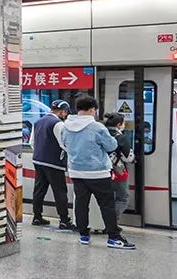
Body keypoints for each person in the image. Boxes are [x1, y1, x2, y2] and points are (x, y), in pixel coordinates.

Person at [62, 95, 135, 250]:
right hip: (98, 173)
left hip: (76, 172)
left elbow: (64, 144)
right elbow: (111, 146)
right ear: (92, 109)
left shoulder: (66, 126)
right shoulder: (97, 127)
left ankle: (83, 235)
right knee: (107, 205)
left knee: (81, 204)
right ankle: (113, 238)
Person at [30, 99, 75, 230]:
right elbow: (64, 143)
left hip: (38, 160)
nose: (66, 115)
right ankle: (64, 220)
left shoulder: (38, 122)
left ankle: (37, 216)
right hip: (54, 163)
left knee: (39, 190)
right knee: (60, 191)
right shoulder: (58, 124)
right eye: (66, 113)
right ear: (63, 111)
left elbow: (32, 143)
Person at [104, 112, 134, 218]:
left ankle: (105, 221)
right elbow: (128, 157)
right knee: (122, 198)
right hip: (117, 171)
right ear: (119, 124)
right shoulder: (121, 137)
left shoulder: (101, 134)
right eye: (124, 123)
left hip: (102, 171)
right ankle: (112, 221)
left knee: (107, 198)